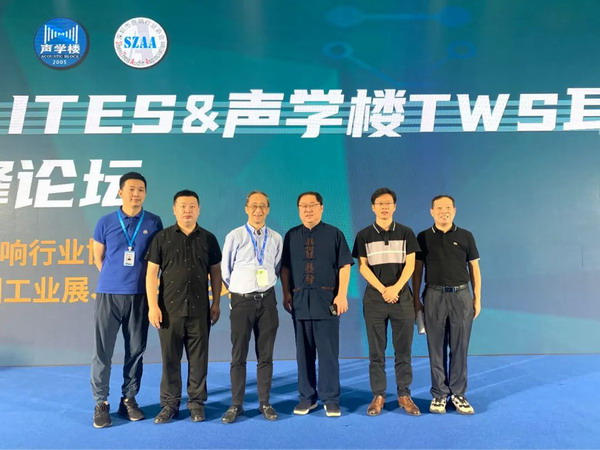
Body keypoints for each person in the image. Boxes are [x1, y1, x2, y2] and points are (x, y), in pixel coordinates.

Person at [91, 172, 163, 428]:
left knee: (135, 350)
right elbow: (98, 257)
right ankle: (101, 402)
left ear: (145, 193)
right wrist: (116, 279)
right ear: (121, 192)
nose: (136, 194)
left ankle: (128, 399)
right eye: (131, 189)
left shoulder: (153, 222)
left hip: (140, 296)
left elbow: (156, 260)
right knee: (103, 351)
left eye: (141, 189)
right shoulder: (105, 222)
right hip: (109, 295)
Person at [145, 190, 222, 424]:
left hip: (200, 310)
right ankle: (170, 404)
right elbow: (151, 274)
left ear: (199, 209)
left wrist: (216, 302)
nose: (187, 210)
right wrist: (152, 306)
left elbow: (216, 273)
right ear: (174, 209)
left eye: (192, 206)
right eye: (182, 206)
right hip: (168, 311)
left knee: (198, 359)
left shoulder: (208, 238)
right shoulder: (162, 238)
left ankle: (196, 403)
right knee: (170, 359)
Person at [281, 191, 353, 417]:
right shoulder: (291, 235)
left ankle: (330, 399)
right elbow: (285, 268)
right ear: (298, 210)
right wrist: (285, 293)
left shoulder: (334, 234)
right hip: (300, 303)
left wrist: (342, 295)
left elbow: (345, 265)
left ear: (321, 207)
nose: (308, 209)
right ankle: (307, 397)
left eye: (312, 205)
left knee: (328, 354)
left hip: (327, 302)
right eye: (303, 206)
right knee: (304, 355)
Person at [352, 187, 421, 416]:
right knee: (376, 352)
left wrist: (395, 289)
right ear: (373, 207)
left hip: (402, 298)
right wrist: (384, 290)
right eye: (380, 203)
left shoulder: (406, 232)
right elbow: (363, 267)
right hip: (375, 299)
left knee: (403, 350)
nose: (384, 207)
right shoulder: (363, 235)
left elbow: (410, 265)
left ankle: (404, 395)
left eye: (388, 203)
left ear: (395, 206)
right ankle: (378, 395)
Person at [413, 195, 481, 415]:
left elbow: (474, 268)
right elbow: (417, 270)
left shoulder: (466, 236)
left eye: (448, 208)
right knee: (436, 348)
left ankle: (458, 394)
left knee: (460, 347)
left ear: (454, 210)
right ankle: (439, 394)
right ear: (432, 212)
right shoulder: (423, 237)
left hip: (461, 296)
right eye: (439, 208)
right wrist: (416, 300)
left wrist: (477, 298)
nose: (444, 211)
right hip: (434, 295)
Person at [220, 191, 283, 424]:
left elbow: (276, 266)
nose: (258, 210)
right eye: (254, 206)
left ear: (268, 209)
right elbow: (226, 271)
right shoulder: (235, 236)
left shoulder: (276, 238)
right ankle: (236, 404)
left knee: (265, 355)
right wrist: (240, 290)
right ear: (246, 208)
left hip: (267, 301)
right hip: (242, 301)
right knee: (238, 355)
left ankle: (264, 402)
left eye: (263, 206)